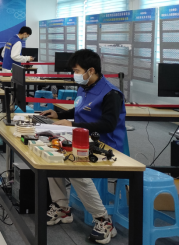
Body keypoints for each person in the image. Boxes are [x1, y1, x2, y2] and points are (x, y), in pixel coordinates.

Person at [40, 49, 125, 244]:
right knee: (52, 156)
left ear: (91, 70)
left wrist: (72, 125)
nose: (74, 74)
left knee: (75, 168)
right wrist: (60, 115)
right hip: (82, 139)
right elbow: (80, 110)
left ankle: (104, 220)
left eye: (77, 71)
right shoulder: (84, 87)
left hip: (105, 145)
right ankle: (62, 208)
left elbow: (108, 124)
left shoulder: (111, 93)